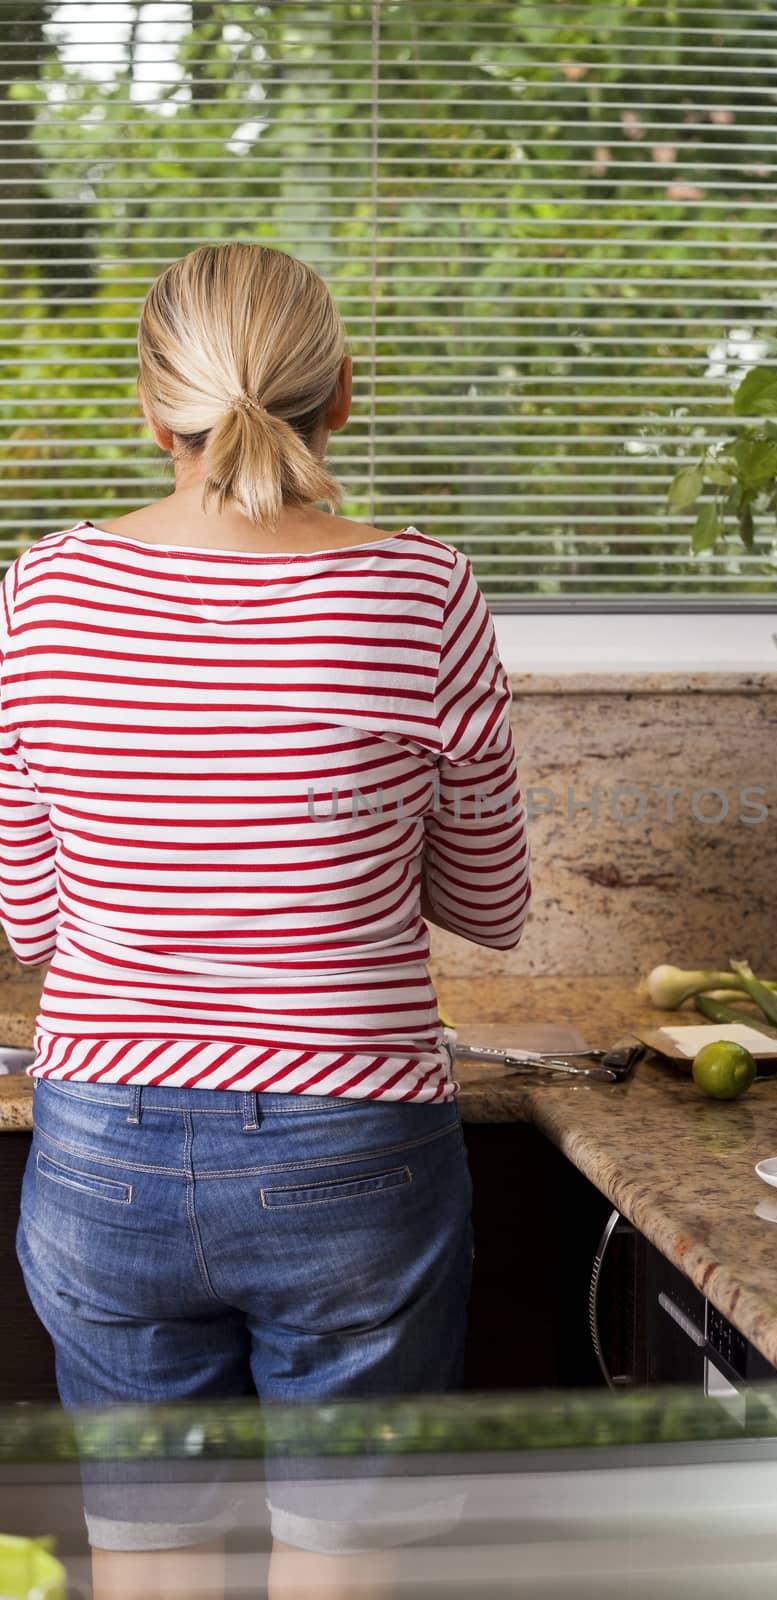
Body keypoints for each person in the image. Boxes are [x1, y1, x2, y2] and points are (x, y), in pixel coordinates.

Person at [0, 242, 531, 1599]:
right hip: (352, 1147)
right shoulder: (423, 592)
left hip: (101, 1149)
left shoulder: (45, 595)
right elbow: (492, 906)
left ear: (147, 403)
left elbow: (31, 918)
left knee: (149, 1563)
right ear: (341, 394)